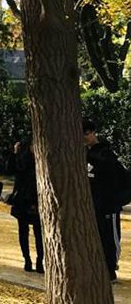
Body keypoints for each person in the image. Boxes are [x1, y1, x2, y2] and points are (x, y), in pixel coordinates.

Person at [84, 119, 123, 283]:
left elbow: (116, 177)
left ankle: (111, 269)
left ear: (93, 133)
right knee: (97, 236)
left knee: (109, 237)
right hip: (94, 205)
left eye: (86, 134)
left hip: (108, 206)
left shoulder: (106, 154)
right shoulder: (84, 153)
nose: (84, 138)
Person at [7, 141, 43, 273]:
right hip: (22, 200)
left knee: (39, 233)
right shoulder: (22, 161)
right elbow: (10, 169)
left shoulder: (42, 162)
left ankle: (40, 261)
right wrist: (14, 153)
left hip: (37, 200)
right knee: (23, 232)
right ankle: (27, 260)